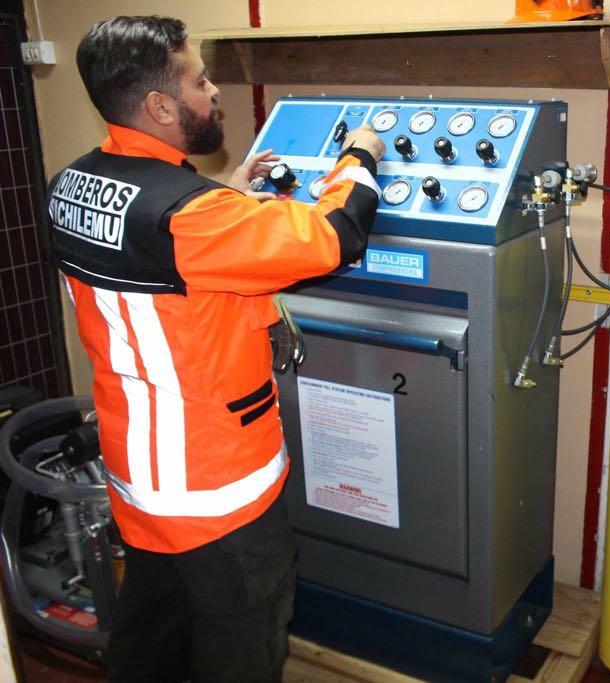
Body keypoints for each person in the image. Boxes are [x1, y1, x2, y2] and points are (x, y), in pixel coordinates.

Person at [45, 15, 385, 683]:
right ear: (160, 107)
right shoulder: (196, 217)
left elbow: (149, 248)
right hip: (218, 491)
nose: (214, 92)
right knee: (242, 643)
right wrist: (361, 155)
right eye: (199, 82)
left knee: (153, 634)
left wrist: (226, 197)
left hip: (138, 478)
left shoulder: (72, 185)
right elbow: (336, 233)